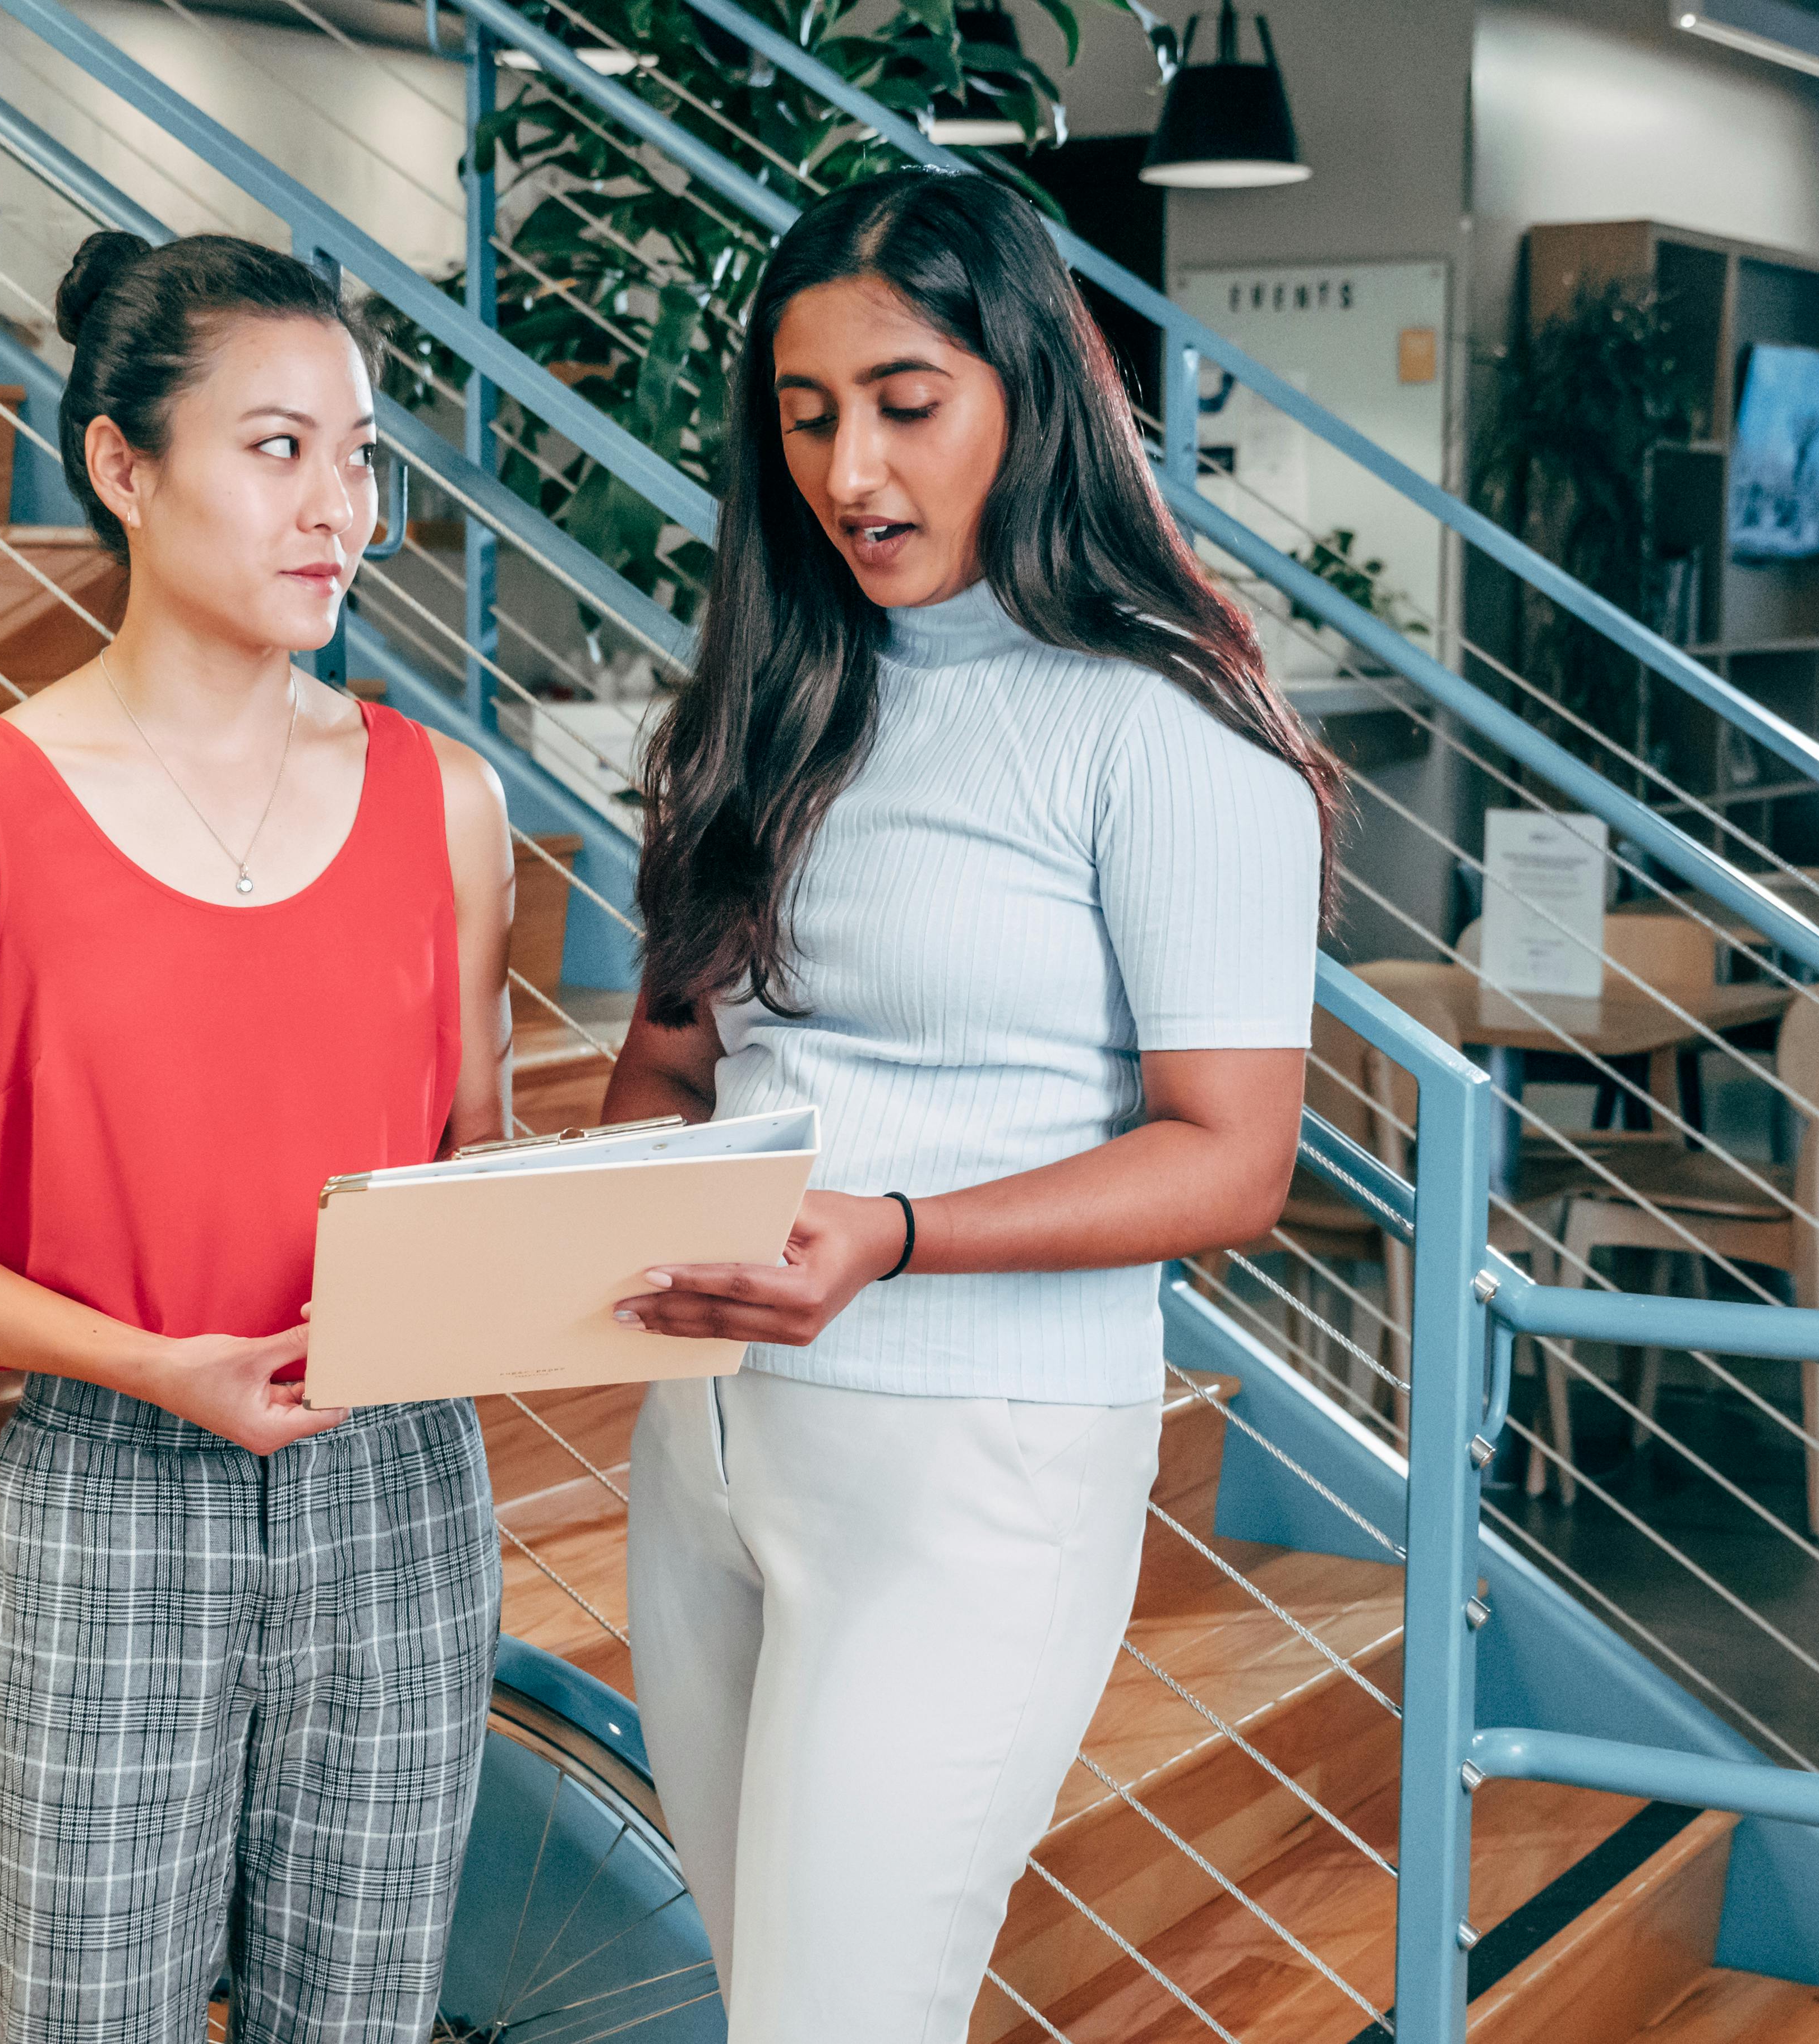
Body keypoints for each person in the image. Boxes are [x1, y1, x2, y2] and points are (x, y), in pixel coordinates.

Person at [601, 167, 1341, 2042]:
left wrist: (898, 1235)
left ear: (1027, 389)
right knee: (765, 2000)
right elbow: (678, 1062)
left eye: (905, 405)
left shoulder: (1163, 724)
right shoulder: (765, 698)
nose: (853, 470)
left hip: (971, 1466)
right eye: (807, 414)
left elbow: (1233, 1156)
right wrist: (567, 1217)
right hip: (707, 1448)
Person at [0, 231, 513, 2044]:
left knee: (358, 2018)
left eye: (358, 456)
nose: (334, 508)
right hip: (114, 1474)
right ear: (123, 465)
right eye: (275, 448)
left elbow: (475, 1166)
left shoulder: (452, 802)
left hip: (401, 1481)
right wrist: (141, 1361)